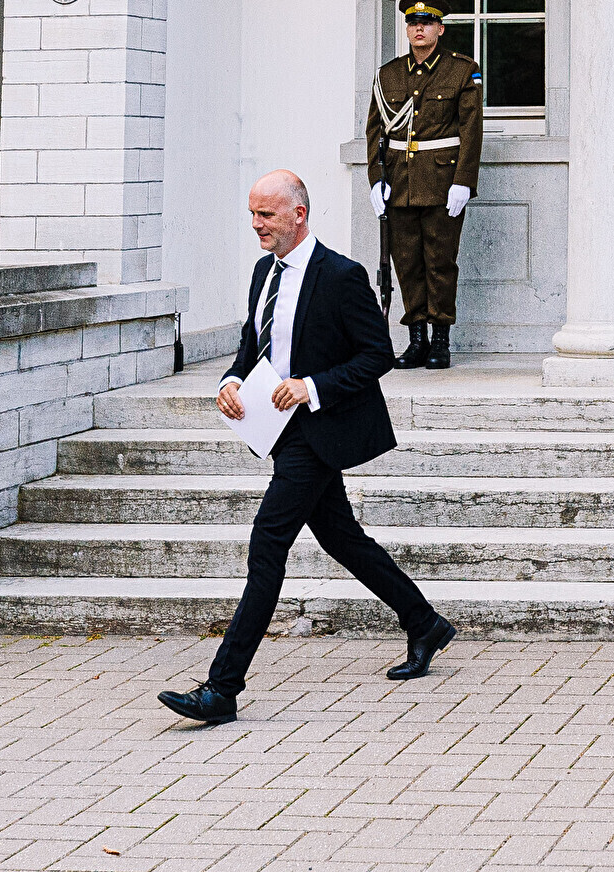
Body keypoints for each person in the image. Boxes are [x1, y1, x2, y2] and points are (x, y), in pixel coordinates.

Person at [157, 170, 453, 725]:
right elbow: (253, 345)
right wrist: (230, 381)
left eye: (265, 214)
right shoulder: (262, 273)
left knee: (267, 544)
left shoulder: (341, 275)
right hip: (279, 431)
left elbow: (377, 355)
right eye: (252, 213)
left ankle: (222, 688)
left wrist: (311, 387)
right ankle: (424, 622)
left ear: (298, 214)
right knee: (343, 539)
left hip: (321, 431)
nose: (255, 224)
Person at [365, 0, 483, 370]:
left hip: (442, 181)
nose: (419, 29)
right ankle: (417, 339)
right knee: (407, 262)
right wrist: (376, 179)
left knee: (440, 262)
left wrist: (463, 181)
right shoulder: (388, 75)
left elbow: (471, 130)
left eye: (427, 23)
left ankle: (440, 340)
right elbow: (375, 132)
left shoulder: (462, 70)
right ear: (407, 30)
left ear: (440, 29)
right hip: (399, 181)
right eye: (413, 23)